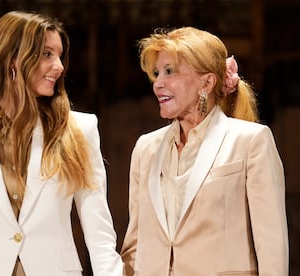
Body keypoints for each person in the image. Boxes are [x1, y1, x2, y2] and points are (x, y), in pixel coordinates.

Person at [0, 10, 124, 276]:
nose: (59, 66)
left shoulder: (79, 128)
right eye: (47, 54)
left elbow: (99, 231)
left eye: (59, 55)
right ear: (12, 59)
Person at [121, 26, 288, 276]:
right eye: (157, 73)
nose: (158, 83)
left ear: (207, 82)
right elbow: (134, 242)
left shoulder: (251, 141)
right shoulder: (146, 148)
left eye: (170, 72)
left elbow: (271, 244)